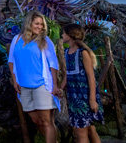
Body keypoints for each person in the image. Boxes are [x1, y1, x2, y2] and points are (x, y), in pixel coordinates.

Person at [8, 11, 59, 143]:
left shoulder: (45, 41)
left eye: (42, 24)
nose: (40, 27)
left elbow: (53, 64)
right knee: (36, 120)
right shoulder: (17, 39)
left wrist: (55, 85)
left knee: (46, 121)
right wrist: (15, 81)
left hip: (42, 85)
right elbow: (11, 61)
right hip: (24, 86)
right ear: (29, 23)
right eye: (37, 23)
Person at [61, 24, 104, 143]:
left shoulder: (83, 53)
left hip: (85, 97)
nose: (62, 35)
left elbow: (91, 77)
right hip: (73, 97)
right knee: (90, 129)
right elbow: (67, 74)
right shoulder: (66, 52)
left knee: (80, 132)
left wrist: (92, 100)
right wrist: (60, 88)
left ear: (70, 35)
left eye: (64, 33)